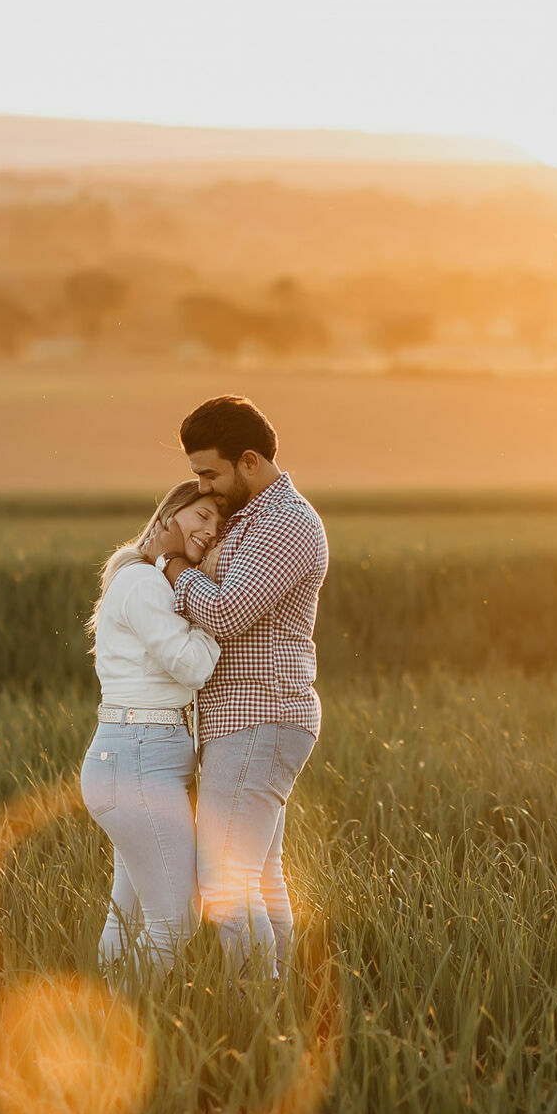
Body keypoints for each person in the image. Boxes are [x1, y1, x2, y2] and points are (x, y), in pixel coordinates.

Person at [153, 395, 328, 979]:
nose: (204, 487)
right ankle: (282, 1002)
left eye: (210, 472)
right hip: (248, 719)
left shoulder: (287, 522)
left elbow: (226, 612)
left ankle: (254, 1009)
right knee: (258, 875)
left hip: (261, 714)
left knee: (224, 881)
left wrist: (169, 566)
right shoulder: (254, 517)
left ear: (249, 460)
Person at [81, 481, 224, 978]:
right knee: (177, 920)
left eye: (217, 525)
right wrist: (213, 621)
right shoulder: (144, 582)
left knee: (130, 914)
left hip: (134, 759)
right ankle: (122, 1023)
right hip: (139, 760)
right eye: (201, 515)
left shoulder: (140, 579)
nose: (209, 530)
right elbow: (191, 666)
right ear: (171, 512)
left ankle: (103, 1021)